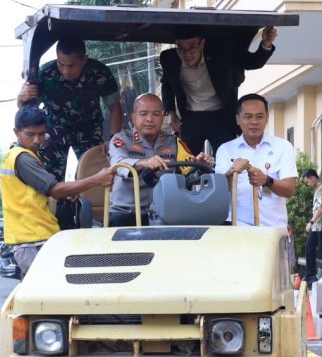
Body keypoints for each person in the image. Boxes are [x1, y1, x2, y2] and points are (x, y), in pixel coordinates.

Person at [0, 105, 120, 277]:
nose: (37, 140)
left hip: (33, 238)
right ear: (16, 132)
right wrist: (96, 179)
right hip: (32, 240)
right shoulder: (23, 158)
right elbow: (55, 190)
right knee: (45, 291)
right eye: (30, 134)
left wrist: (68, 192)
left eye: (41, 134)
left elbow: (36, 194)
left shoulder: (17, 154)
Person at [160, 26, 278, 154]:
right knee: (185, 160)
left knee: (228, 158)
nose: (187, 54)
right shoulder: (169, 59)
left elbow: (253, 62)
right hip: (191, 116)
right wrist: (171, 113)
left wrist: (266, 43)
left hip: (221, 115)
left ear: (202, 44)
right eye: (181, 48)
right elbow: (167, 85)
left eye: (192, 47)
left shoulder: (222, 53)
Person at [16, 38, 123, 175]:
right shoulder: (45, 74)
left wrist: (113, 140)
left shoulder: (99, 73)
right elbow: (27, 113)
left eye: (71, 65)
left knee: (96, 176)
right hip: (54, 131)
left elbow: (115, 108)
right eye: (61, 64)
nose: (65, 70)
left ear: (84, 59)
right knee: (49, 178)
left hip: (89, 131)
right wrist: (21, 99)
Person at [104, 93, 210, 227]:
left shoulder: (174, 142)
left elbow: (189, 171)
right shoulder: (121, 139)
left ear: (162, 117)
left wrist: (199, 166)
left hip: (165, 211)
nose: (150, 119)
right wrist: (144, 163)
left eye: (156, 114)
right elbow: (118, 165)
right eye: (143, 114)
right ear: (133, 116)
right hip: (126, 211)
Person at [213, 94, 297, 228]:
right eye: (248, 116)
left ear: (267, 118)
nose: (254, 122)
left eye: (259, 116)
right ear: (238, 119)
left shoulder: (283, 146)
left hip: (273, 230)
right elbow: (219, 193)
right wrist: (231, 172)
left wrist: (267, 181)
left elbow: (290, 190)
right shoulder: (225, 149)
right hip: (237, 229)